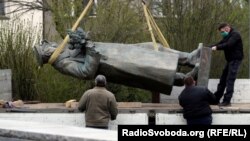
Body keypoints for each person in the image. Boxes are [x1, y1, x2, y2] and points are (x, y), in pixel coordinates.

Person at [33, 28, 202, 94]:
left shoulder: (64, 49)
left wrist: (82, 38)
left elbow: (83, 45)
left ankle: (189, 57)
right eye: (47, 47)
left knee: (152, 47)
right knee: (152, 70)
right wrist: (89, 46)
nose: (51, 44)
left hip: (116, 51)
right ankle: (187, 78)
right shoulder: (62, 63)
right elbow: (86, 72)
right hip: (114, 65)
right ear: (47, 55)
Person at [210, 23, 243, 106]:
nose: (222, 33)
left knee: (230, 80)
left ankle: (227, 101)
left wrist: (217, 48)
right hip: (230, 60)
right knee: (223, 80)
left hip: (235, 60)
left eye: (222, 31)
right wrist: (207, 47)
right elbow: (219, 43)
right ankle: (216, 99)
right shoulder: (227, 36)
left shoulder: (235, 35)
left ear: (227, 28)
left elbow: (229, 45)